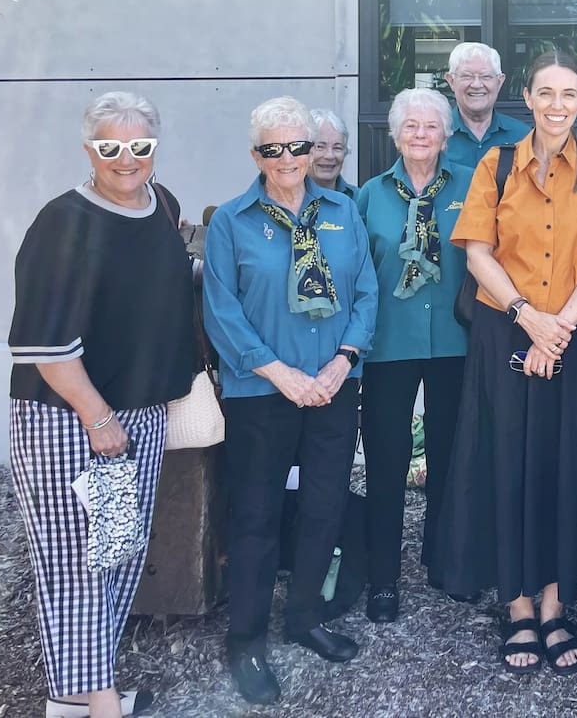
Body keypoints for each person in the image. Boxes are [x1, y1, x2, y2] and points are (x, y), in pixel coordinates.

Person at [437, 50, 577, 676]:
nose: (557, 105)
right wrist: (530, 318)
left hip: (575, 334)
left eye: (568, 94)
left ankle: (554, 603)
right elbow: (476, 253)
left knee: (563, 461)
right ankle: (518, 605)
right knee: (509, 460)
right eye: (546, 93)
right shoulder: (496, 166)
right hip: (506, 332)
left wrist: (561, 328)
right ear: (527, 97)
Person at [7, 92, 193, 718]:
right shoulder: (64, 222)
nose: (125, 159)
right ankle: (104, 703)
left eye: (138, 146)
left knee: (116, 555)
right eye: (110, 147)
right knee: (78, 560)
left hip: (136, 411)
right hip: (72, 417)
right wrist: (98, 417)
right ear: (89, 149)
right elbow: (47, 347)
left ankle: (71, 698)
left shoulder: (160, 205)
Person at [203, 96, 378, 705]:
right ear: (256, 154)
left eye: (298, 146)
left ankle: (305, 617)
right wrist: (281, 374)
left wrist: (342, 361)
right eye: (273, 148)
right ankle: (246, 639)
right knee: (255, 516)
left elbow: (366, 294)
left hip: (334, 386)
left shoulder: (343, 212)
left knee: (323, 508)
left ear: (312, 151)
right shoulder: (232, 221)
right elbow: (222, 313)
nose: (288, 158)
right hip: (261, 392)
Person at [354, 88, 474, 623]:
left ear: (446, 134)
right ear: (395, 135)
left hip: (455, 340)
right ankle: (383, 577)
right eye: (411, 126)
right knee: (385, 459)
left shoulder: (472, 189)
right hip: (388, 344)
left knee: (452, 455)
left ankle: (445, 559)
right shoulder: (368, 196)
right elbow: (356, 274)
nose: (421, 134)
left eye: (431, 126)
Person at [441, 41, 530, 168]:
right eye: (467, 76)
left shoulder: (522, 135)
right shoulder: (435, 135)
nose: (476, 85)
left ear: (499, 82)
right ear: (451, 81)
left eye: (486, 76)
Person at [309, 108, 357, 196]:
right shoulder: (287, 201)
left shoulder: (358, 199)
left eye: (337, 148)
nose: (329, 156)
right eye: (320, 147)